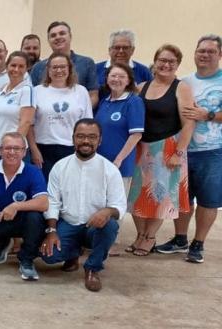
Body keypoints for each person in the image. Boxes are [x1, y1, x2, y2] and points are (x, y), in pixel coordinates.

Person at [40, 119, 126, 292]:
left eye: (92, 137)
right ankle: (72, 254)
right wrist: (52, 231)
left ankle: (93, 268)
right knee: (49, 256)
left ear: (99, 140)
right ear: (73, 139)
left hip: (94, 227)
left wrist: (108, 211)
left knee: (110, 225)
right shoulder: (60, 167)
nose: (86, 141)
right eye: (81, 136)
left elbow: (119, 205)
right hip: (68, 223)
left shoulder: (110, 170)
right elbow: (53, 202)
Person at [128, 44, 194, 257]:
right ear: (155, 62)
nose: (166, 65)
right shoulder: (141, 86)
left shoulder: (181, 87)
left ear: (177, 65)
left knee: (160, 196)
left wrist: (179, 152)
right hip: (141, 148)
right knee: (137, 195)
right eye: (162, 60)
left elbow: (189, 123)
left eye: (171, 62)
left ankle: (150, 237)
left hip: (167, 149)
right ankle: (140, 234)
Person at [169, 34, 222, 263]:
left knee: (208, 200)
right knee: (182, 199)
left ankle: (198, 243)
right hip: (183, 150)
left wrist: (208, 115)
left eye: (211, 51)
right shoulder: (185, 82)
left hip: (213, 152)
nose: (205, 55)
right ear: (195, 53)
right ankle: (180, 239)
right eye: (201, 51)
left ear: (220, 55)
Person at [0, 132, 48, 280]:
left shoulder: (33, 172)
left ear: (24, 152)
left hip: (22, 220)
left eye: (17, 148)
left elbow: (44, 203)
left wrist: (16, 206)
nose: (12, 152)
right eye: (7, 148)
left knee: (35, 218)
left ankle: (26, 260)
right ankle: (2, 244)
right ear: (0, 151)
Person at [29, 53, 93, 179]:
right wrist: (34, 150)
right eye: (55, 67)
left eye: (63, 67)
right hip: (43, 149)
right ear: (48, 70)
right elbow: (29, 123)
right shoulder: (36, 91)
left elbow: (87, 125)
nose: (59, 70)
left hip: (71, 149)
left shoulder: (81, 91)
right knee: (46, 189)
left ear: (69, 69)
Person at [95, 63, 144, 192]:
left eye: (122, 76)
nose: (116, 79)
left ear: (128, 80)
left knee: (114, 208)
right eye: (113, 75)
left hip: (119, 165)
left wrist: (118, 159)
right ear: (107, 78)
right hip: (99, 164)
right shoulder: (104, 101)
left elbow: (136, 135)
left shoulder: (133, 102)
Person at [30, 21, 99, 107]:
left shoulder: (86, 63)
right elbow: (31, 98)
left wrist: (79, 114)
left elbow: (93, 95)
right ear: (48, 41)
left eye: (62, 33)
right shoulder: (38, 67)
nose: (57, 37)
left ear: (70, 37)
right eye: (53, 35)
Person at [0, 51, 35, 162]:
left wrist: (13, 148)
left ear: (27, 69)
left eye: (21, 66)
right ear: (7, 66)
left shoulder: (27, 90)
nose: (16, 69)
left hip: (12, 151)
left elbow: (26, 122)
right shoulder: (0, 92)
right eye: (13, 65)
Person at [95, 30, 153, 100]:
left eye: (125, 48)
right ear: (109, 50)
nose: (121, 51)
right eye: (117, 47)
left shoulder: (144, 71)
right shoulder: (95, 70)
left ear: (132, 50)